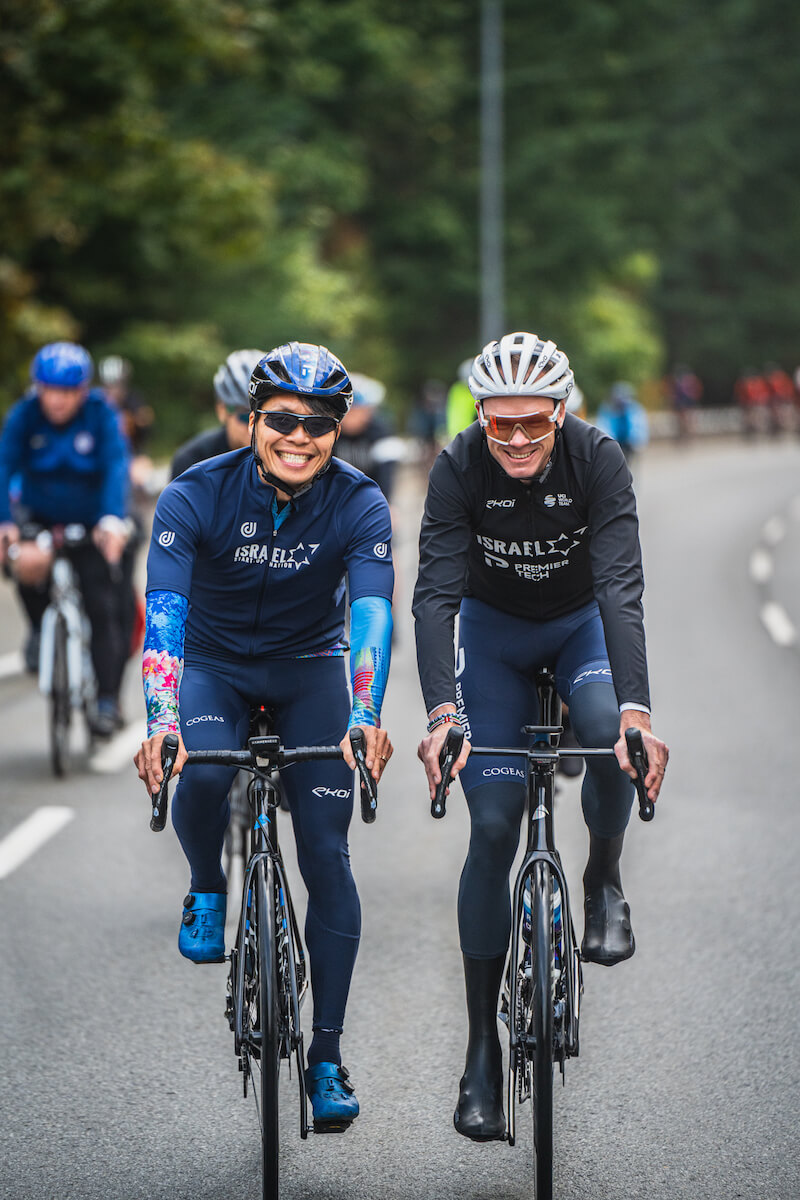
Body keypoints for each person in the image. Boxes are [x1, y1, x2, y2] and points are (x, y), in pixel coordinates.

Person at [413, 331, 668, 1142]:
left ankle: (602, 877)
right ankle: (480, 1051)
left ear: (562, 412)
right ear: (480, 416)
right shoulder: (458, 465)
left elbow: (621, 586)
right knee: (493, 826)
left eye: (534, 422)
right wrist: (441, 715)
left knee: (604, 734)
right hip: (492, 638)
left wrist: (637, 711)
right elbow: (435, 596)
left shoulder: (598, 459)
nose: (518, 438)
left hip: (578, 627)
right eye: (501, 423)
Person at [134, 341, 394, 1129]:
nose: (299, 437)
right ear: (251, 420)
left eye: (319, 423)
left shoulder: (359, 502)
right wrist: (162, 721)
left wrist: (365, 713)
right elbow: (164, 617)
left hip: (309, 669)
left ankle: (327, 1057)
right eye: (282, 419)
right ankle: (207, 883)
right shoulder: (195, 493)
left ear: (338, 429)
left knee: (327, 852)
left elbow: (371, 614)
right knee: (206, 773)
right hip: (214, 666)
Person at [0, 341, 133, 736]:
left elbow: (115, 465)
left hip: (91, 519)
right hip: (39, 515)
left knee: (101, 603)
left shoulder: (101, 414)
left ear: (82, 391)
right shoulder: (24, 414)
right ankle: (40, 630)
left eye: (66, 392)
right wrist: (5, 522)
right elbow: (4, 465)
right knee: (25, 564)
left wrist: (111, 518)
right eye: (48, 390)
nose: (56, 401)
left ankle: (106, 699)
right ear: (37, 388)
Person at [169, 349, 264, 480]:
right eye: (245, 416)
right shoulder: (192, 461)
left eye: (266, 417)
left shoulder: (284, 456)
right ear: (222, 410)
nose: (254, 427)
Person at [333, 373, 400, 502]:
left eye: (358, 411)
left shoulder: (381, 432)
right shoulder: (330, 430)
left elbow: (386, 474)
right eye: (349, 412)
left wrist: (385, 503)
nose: (352, 417)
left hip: (369, 495)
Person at [594, 381, 649, 461]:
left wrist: (636, 441)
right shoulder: (607, 409)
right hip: (614, 443)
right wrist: (609, 442)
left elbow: (639, 427)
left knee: (628, 462)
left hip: (629, 443)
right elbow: (603, 426)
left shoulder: (634, 409)